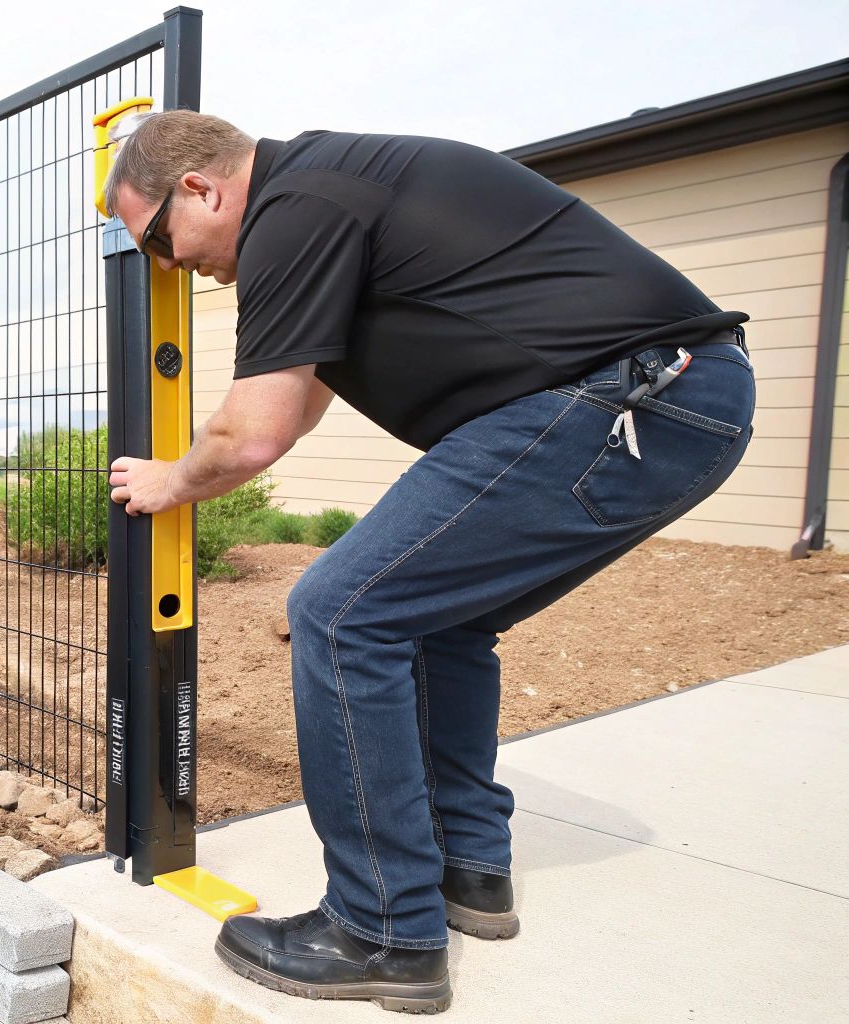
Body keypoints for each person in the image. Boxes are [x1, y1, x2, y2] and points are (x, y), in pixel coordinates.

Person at [103, 112, 753, 1013]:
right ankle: (468, 871)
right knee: (442, 621)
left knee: (340, 610)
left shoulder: (295, 205)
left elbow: (251, 437)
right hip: (671, 399)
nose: (170, 267)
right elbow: (304, 388)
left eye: (159, 241)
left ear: (203, 188)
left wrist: (171, 479)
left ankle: (380, 930)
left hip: (628, 397)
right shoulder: (328, 194)